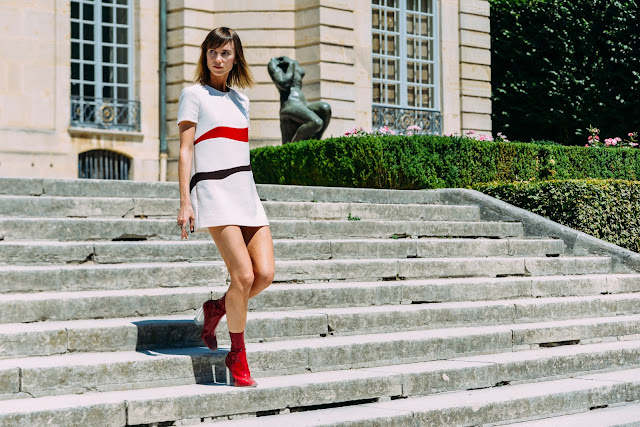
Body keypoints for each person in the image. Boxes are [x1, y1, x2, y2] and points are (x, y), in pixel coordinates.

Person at [176, 27, 275, 387]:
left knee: (264, 275)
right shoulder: (193, 95)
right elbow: (186, 149)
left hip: (245, 192)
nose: (218, 59)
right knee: (243, 276)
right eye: (213, 52)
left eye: (226, 53)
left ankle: (216, 308)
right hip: (214, 191)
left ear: (236, 58)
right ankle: (237, 354)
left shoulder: (241, 101)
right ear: (205, 56)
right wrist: (185, 201)